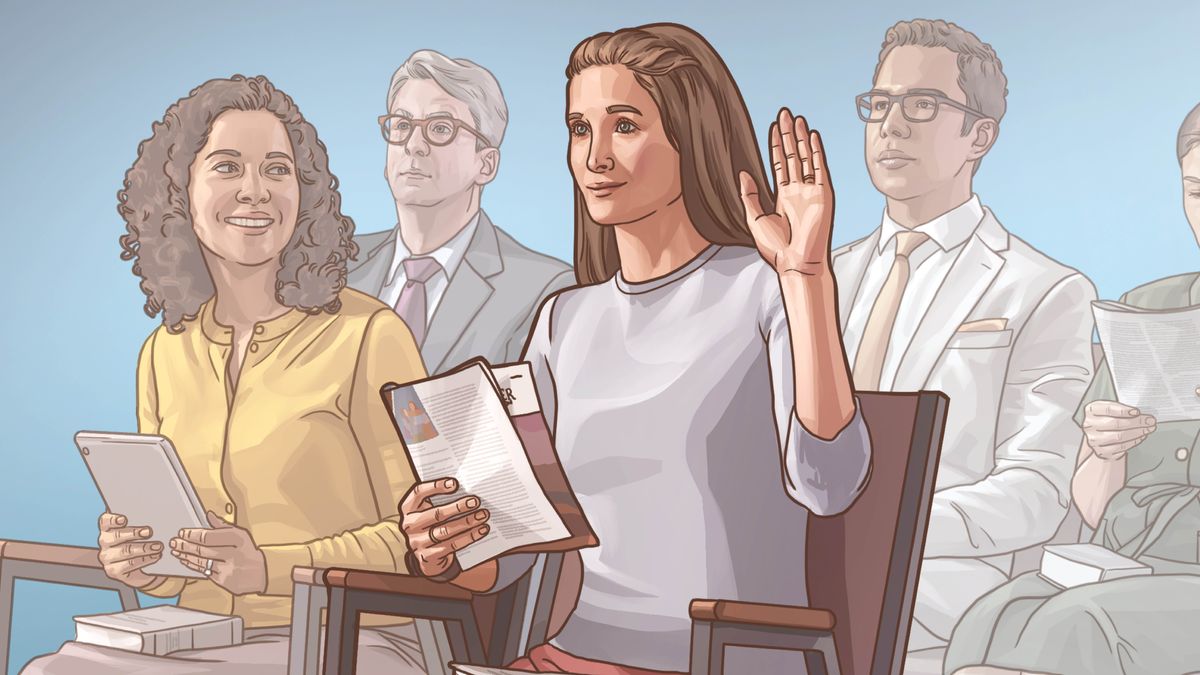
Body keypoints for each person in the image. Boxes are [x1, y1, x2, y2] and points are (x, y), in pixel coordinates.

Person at [397, 23, 873, 674]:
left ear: (691, 138)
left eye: (624, 126)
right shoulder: (563, 320)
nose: (595, 158)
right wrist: (448, 547)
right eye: (580, 129)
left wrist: (807, 278)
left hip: (727, 661)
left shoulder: (767, 288)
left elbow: (830, 485)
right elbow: (513, 552)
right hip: (570, 659)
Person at [22, 75, 428, 674]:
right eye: (228, 167)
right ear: (178, 192)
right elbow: (175, 566)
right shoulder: (163, 352)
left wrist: (268, 566)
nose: (255, 191)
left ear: (305, 193)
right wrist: (142, 560)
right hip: (196, 634)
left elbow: (422, 541)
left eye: (277, 170)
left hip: (350, 637)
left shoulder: (370, 334)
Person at [831, 19, 1098, 669]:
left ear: (981, 135)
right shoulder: (822, 277)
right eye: (880, 104)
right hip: (805, 560)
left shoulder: (1044, 288)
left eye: (922, 105)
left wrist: (887, 524)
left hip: (941, 578)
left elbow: (1038, 487)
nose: (891, 126)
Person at [944, 101, 1200, 675]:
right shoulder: (1148, 310)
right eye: (1198, 193)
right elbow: (1091, 504)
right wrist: (1106, 449)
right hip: (1126, 561)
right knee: (991, 618)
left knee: (1080, 624)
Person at [348, 50, 575, 375]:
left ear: (486, 164)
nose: (413, 144)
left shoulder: (545, 290)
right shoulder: (335, 264)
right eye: (402, 125)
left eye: (441, 128)